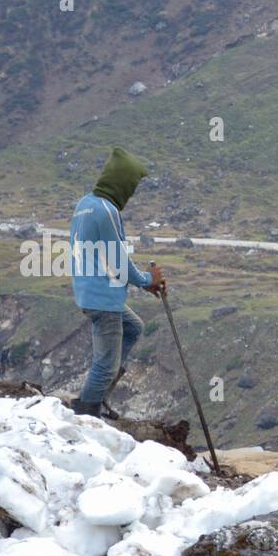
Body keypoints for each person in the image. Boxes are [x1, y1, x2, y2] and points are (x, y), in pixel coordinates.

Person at [68, 146, 165, 418]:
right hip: (104, 296)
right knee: (106, 365)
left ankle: (99, 398)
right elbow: (118, 260)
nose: (131, 193)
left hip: (89, 292)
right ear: (122, 183)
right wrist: (147, 279)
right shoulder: (106, 210)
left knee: (133, 327)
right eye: (131, 186)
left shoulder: (84, 205)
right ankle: (86, 414)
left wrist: (145, 283)